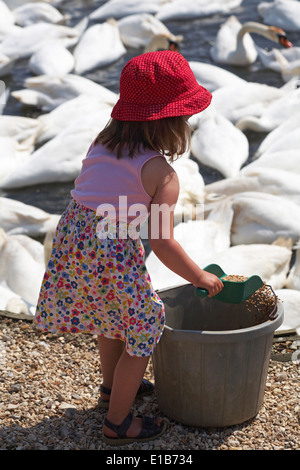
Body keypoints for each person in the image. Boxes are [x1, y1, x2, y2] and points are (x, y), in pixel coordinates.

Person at [34, 50, 223, 446]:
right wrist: (199, 276)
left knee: (110, 317)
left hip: (73, 244)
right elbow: (162, 241)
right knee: (144, 324)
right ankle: (117, 423)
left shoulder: (101, 142)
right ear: (174, 122)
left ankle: (111, 391)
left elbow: (95, 195)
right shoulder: (163, 174)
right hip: (110, 252)